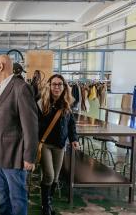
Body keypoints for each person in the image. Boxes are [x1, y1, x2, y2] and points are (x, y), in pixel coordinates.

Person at [0, 54, 38, 215]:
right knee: (3, 195)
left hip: (13, 154)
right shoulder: (1, 87)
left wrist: (29, 156)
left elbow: (30, 125)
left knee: (17, 198)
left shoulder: (20, 88)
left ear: (1, 67)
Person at [38, 74, 79, 215]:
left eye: (59, 84)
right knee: (49, 175)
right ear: (49, 86)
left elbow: (71, 123)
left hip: (60, 145)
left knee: (55, 177)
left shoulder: (67, 102)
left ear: (64, 87)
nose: (57, 87)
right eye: (54, 84)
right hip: (45, 144)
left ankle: (49, 202)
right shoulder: (41, 102)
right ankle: (45, 206)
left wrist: (74, 139)